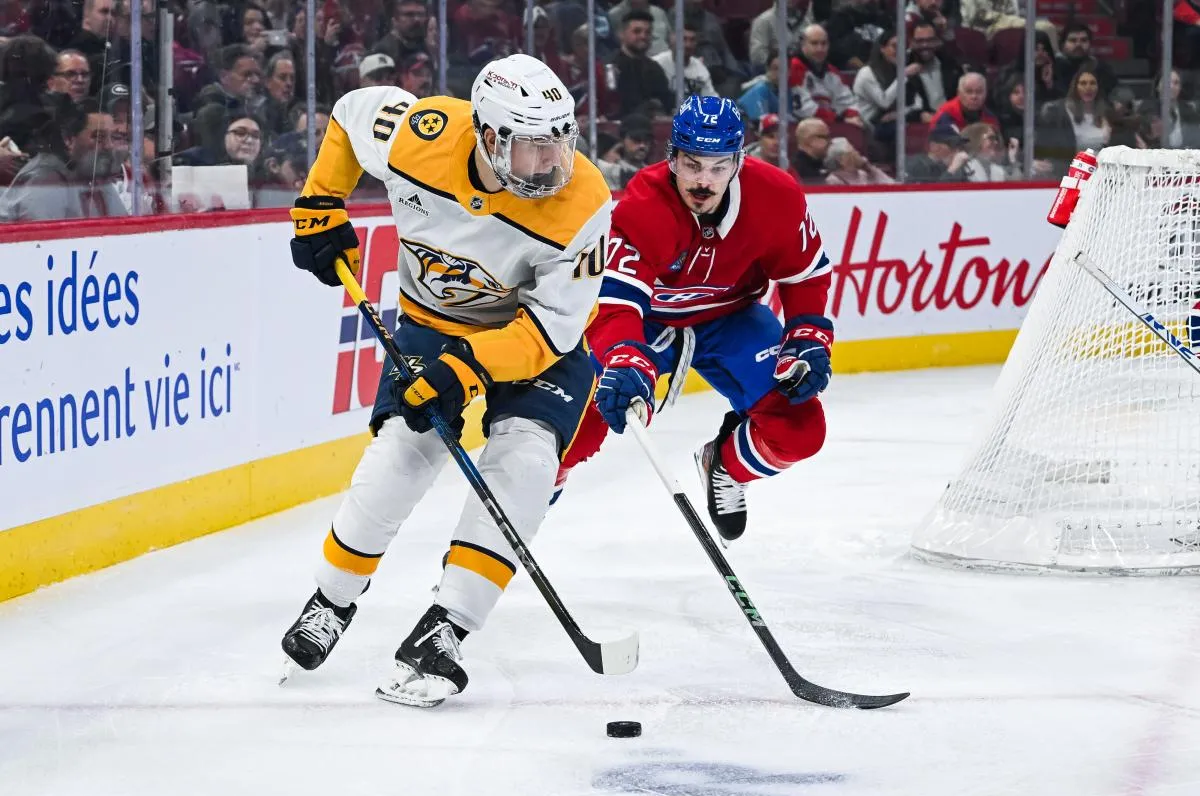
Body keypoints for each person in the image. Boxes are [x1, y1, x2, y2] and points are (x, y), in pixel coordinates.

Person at [279, 54, 612, 708]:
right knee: (403, 451)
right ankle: (331, 601)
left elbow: (551, 330)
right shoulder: (420, 134)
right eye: (533, 147)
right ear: (488, 135)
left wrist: (467, 369)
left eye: (560, 142)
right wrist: (320, 199)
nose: (553, 163)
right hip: (434, 323)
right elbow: (349, 115)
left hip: (536, 340)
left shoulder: (584, 203)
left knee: (526, 460)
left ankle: (447, 626)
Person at [556, 96, 834, 543]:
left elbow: (805, 275)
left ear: (738, 161)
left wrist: (806, 334)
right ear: (672, 158)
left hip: (732, 320)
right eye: (692, 165)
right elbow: (616, 302)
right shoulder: (645, 205)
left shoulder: (776, 197)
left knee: (801, 430)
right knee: (568, 432)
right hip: (648, 324)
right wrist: (623, 355)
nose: (704, 181)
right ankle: (514, 518)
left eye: (719, 167)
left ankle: (725, 466)